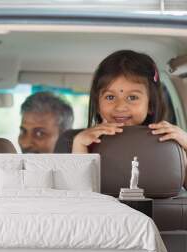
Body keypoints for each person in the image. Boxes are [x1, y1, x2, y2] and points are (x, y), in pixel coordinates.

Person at [72, 49, 187, 186]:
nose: (120, 107)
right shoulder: (88, 144)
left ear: (150, 104)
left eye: (132, 97)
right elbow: (80, 195)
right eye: (110, 97)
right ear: (97, 104)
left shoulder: (169, 142)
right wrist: (79, 145)